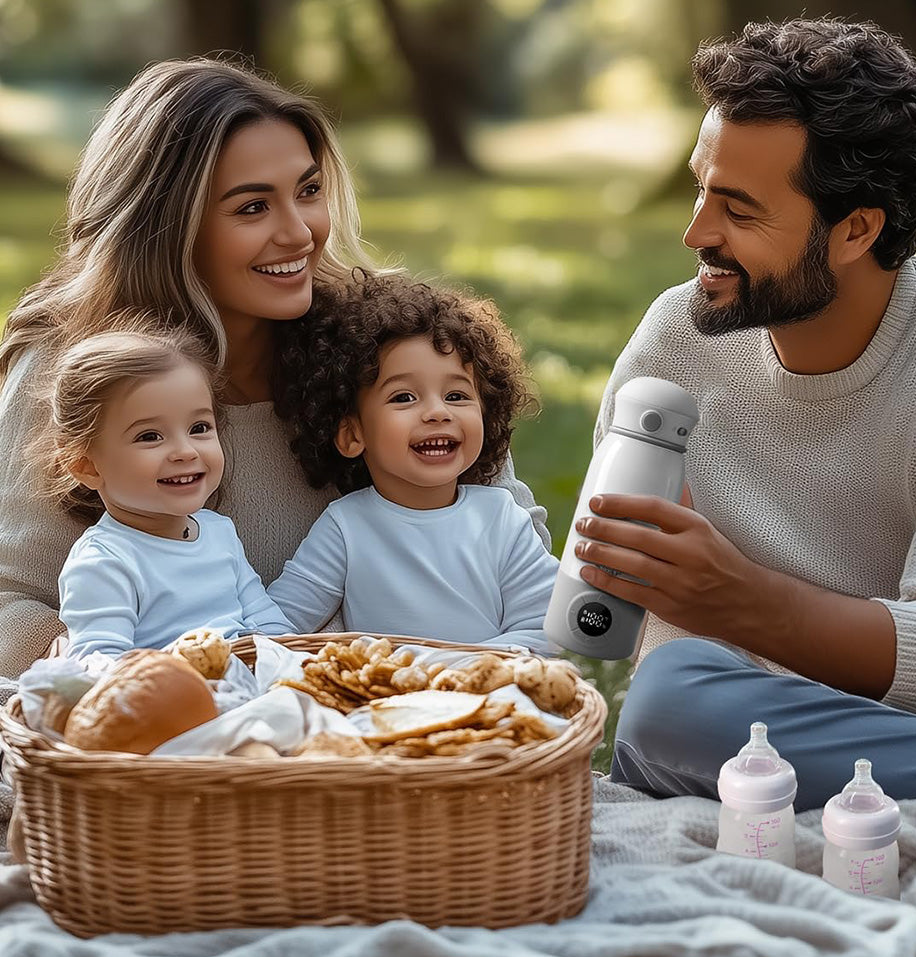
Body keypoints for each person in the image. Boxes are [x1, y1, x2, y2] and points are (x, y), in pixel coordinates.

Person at [0, 56, 548, 680]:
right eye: (252, 207)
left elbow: (508, 532)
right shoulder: (69, 367)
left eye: (308, 192)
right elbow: (10, 597)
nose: (301, 233)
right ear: (164, 227)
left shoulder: (389, 347)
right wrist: (123, 670)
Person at [572, 17, 916, 809]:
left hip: (904, 728)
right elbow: (619, 625)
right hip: (720, 716)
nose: (694, 230)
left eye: (738, 208)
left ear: (858, 228)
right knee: (672, 700)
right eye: (701, 186)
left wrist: (745, 600)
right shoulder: (675, 342)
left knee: (674, 715)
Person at [267, 273, 558, 652]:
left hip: (495, 696)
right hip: (386, 703)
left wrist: (460, 671)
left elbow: (547, 629)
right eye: (404, 398)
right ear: (353, 434)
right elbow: (277, 627)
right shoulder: (347, 527)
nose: (437, 412)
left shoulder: (502, 518)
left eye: (456, 395)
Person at [41, 328, 292, 658]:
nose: (185, 451)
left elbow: (266, 619)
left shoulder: (219, 531)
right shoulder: (105, 562)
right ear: (87, 466)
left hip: (250, 682)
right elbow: (102, 669)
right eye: (149, 436)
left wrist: (291, 663)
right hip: (172, 701)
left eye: (199, 428)